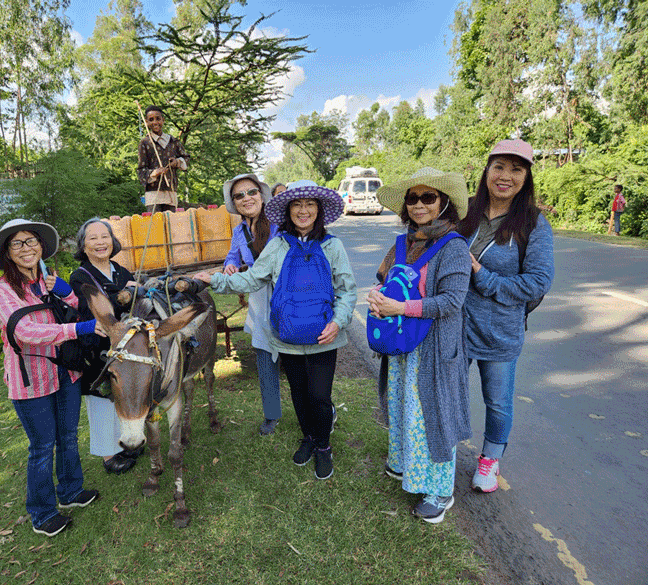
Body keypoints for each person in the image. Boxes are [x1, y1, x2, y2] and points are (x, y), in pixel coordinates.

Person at [194, 180, 357, 480]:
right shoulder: (278, 245)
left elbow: (347, 290)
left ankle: (323, 446)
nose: (304, 211)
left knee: (320, 396)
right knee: (299, 393)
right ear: (289, 211)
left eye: (310, 205)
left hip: (324, 336)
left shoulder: (332, 246)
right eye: (297, 205)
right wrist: (215, 280)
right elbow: (252, 278)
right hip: (288, 334)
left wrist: (338, 322)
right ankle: (309, 437)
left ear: (319, 210)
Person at [369, 168, 472, 523]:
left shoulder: (454, 246)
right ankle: (405, 465)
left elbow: (451, 302)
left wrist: (400, 308)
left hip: (434, 351)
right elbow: (383, 281)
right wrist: (377, 296)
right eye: (413, 198)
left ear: (444, 202)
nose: (419, 205)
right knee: (403, 409)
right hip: (403, 347)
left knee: (433, 418)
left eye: (428, 197)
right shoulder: (403, 243)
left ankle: (440, 492)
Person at [0, 219, 102, 537]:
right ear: (8, 253)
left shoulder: (48, 280)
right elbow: (25, 332)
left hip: (66, 370)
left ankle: (70, 491)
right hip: (31, 379)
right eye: (17, 243)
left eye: (31, 241)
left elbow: (75, 309)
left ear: (41, 246)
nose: (26, 248)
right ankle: (42, 513)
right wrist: (78, 329)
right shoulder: (2, 291)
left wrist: (66, 293)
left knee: (68, 436)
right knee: (42, 446)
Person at [457, 139, 554, 493]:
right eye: (499, 166)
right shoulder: (463, 210)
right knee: (449, 392)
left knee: (497, 402)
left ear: (526, 177)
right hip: (455, 326)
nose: (505, 176)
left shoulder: (533, 223)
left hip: (500, 332)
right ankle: (443, 451)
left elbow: (538, 281)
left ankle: (490, 459)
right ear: (487, 170)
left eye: (516, 169)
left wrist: (483, 277)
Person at [69, 218, 141, 474]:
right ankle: (109, 455)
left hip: (126, 347)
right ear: (83, 246)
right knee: (101, 400)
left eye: (105, 236)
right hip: (97, 347)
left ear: (113, 241)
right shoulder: (80, 276)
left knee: (123, 397)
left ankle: (125, 444)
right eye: (93, 238)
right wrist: (125, 294)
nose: (100, 242)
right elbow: (92, 309)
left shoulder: (121, 271)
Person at [222, 174, 282, 435]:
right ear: (234, 203)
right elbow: (232, 256)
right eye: (239, 195)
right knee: (264, 355)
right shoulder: (239, 231)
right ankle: (272, 414)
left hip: (285, 293)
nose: (246, 198)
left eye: (252, 192)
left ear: (261, 195)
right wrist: (230, 266)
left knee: (298, 355)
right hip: (258, 297)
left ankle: (319, 409)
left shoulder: (280, 223)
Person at [137, 105, 190, 214]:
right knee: (156, 223)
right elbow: (141, 171)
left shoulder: (173, 141)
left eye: (158, 118)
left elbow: (186, 158)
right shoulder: (145, 143)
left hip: (171, 192)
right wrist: (154, 173)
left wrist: (177, 162)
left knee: (171, 222)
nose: (155, 122)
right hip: (153, 195)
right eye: (151, 119)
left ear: (163, 120)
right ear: (146, 122)